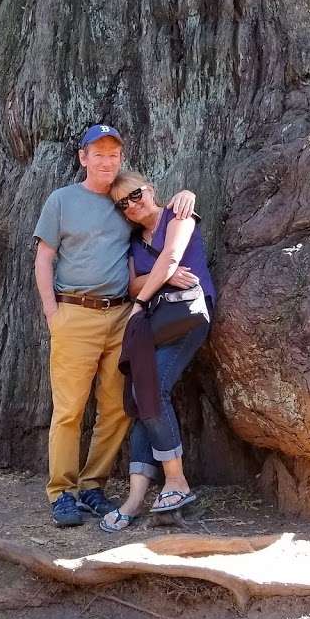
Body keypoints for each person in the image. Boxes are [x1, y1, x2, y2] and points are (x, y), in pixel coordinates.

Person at [33, 125, 196, 527]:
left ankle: (92, 486)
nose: (107, 161)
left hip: (122, 315)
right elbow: (44, 258)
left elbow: (158, 219)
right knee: (69, 410)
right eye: (98, 154)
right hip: (75, 313)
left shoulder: (125, 201)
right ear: (83, 158)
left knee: (117, 409)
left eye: (113, 154)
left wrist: (186, 196)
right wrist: (53, 313)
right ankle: (62, 493)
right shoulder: (62, 200)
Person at [98, 171, 216, 532]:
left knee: (153, 392)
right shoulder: (134, 243)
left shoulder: (179, 213)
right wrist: (156, 281)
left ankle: (176, 482)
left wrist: (144, 297)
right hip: (154, 325)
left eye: (135, 195)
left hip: (184, 317)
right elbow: (132, 282)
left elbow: (170, 256)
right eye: (123, 204)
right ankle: (135, 501)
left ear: (149, 188)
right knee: (139, 399)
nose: (132, 205)